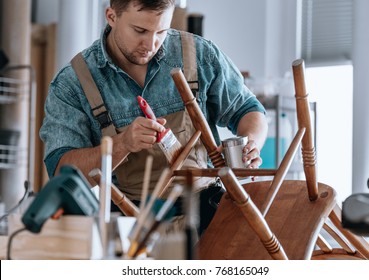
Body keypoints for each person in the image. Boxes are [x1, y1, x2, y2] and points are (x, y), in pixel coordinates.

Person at [40, 0, 268, 234]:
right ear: (111, 16)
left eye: (161, 31)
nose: (151, 44)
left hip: (208, 214)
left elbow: (249, 110)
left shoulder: (198, 54)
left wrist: (250, 144)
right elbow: (61, 173)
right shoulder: (74, 82)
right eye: (140, 31)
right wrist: (121, 144)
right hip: (131, 224)